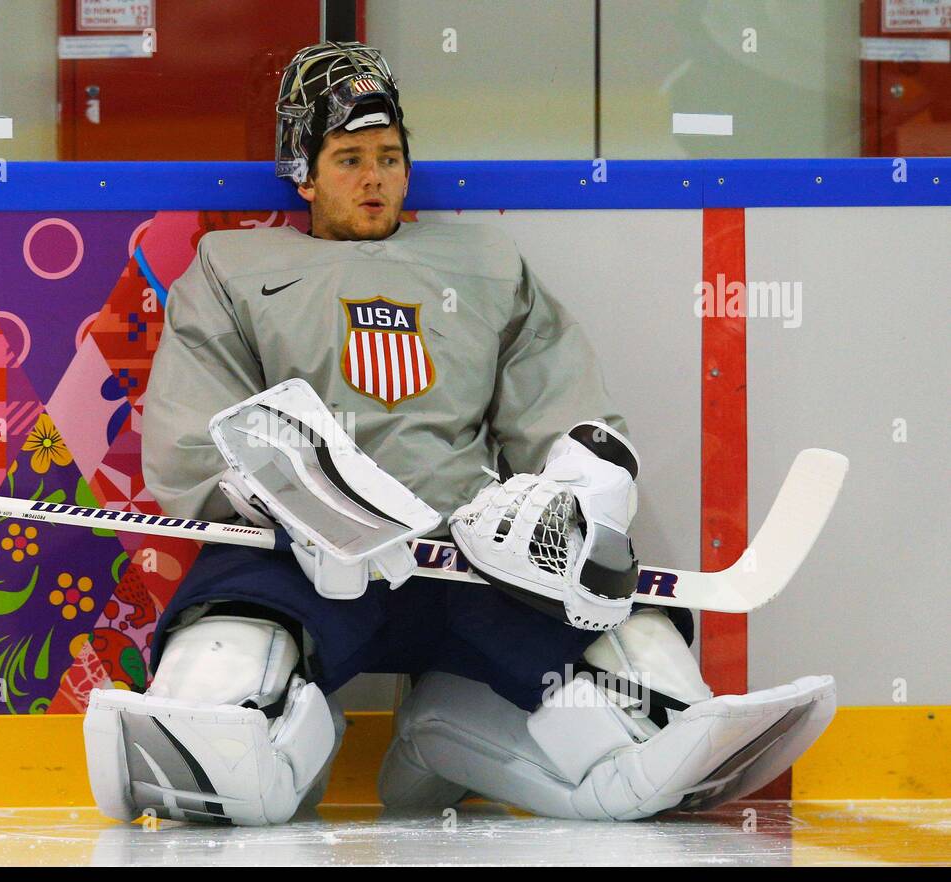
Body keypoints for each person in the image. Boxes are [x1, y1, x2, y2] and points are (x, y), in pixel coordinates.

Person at [83, 41, 835, 826]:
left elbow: (564, 408)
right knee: (226, 666)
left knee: (631, 649)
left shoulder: (484, 260)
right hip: (303, 557)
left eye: (389, 156)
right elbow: (191, 440)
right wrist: (291, 508)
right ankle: (236, 748)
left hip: (471, 555)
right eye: (348, 159)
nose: (374, 178)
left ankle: (495, 731)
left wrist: (570, 498)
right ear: (301, 171)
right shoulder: (230, 268)